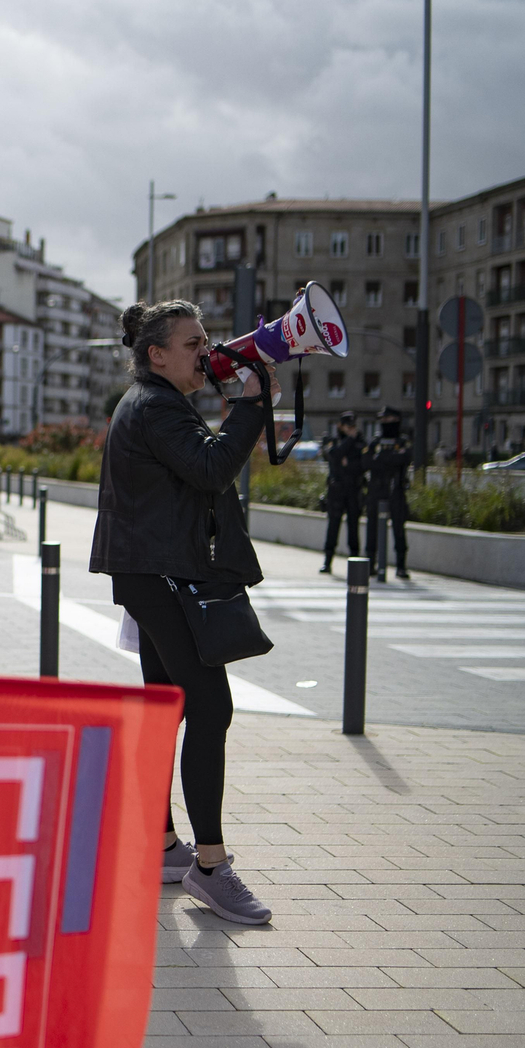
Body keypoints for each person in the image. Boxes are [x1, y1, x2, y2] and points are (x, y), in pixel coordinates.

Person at [89, 299, 274, 926]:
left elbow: (200, 466)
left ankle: (164, 846)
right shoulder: (158, 406)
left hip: (150, 569)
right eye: (193, 343)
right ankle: (212, 867)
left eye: (205, 339)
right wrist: (250, 405)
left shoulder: (150, 403)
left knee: (165, 708)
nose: (207, 350)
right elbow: (212, 469)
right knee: (210, 707)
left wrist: (244, 417)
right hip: (162, 572)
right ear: (156, 354)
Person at [364, 405, 411, 580]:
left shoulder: (403, 441)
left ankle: (401, 566)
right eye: (382, 420)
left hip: (396, 489)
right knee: (372, 528)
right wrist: (390, 459)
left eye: (388, 420)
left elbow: (405, 458)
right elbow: (367, 462)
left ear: (396, 421)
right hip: (376, 489)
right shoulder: (375, 442)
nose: (384, 423)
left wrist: (383, 459)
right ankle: (371, 563)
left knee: (399, 528)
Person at [319, 411, 367, 573]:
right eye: (348, 427)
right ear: (340, 426)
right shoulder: (333, 441)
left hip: (353, 490)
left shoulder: (360, 442)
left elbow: (363, 464)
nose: (351, 430)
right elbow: (335, 455)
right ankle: (327, 560)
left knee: (353, 528)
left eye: (353, 427)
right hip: (336, 491)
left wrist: (348, 462)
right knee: (333, 526)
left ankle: (355, 562)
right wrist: (349, 442)